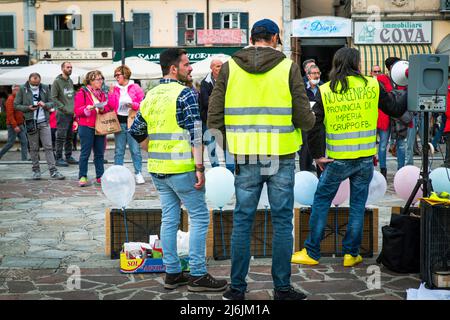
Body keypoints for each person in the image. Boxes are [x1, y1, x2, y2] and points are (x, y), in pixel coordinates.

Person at [208, 19, 315, 300]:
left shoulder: (229, 67)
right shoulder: (288, 67)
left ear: (252, 37)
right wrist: (311, 118)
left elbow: (213, 117)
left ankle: (237, 289)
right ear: (275, 38)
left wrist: (230, 143)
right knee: (282, 222)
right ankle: (282, 288)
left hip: (245, 155)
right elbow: (304, 119)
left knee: (242, 221)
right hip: (280, 154)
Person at [291, 47, 407, 267]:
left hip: (337, 159)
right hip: (364, 158)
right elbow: (396, 109)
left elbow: (314, 125)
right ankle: (351, 254)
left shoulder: (326, 90)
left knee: (321, 201)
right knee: (357, 205)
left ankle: (312, 252)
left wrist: (317, 155)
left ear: (336, 64)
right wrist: (410, 85)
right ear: (357, 64)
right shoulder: (373, 85)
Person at [129, 48, 228, 292]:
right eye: (186, 64)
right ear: (174, 69)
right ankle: (197, 274)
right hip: (183, 168)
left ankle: (172, 272)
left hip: (158, 169)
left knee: (169, 218)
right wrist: (199, 166)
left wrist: (152, 150)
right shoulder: (186, 94)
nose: (190, 67)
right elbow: (196, 134)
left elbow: (137, 130)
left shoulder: (151, 94)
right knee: (200, 217)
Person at [14, 73, 65, 180]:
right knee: (33, 148)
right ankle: (36, 170)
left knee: (48, 146)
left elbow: (53, 103)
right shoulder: (23, 89)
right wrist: (28, 108)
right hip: (30, 122)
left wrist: (45, 105)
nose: (35, 85)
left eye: (37, 83)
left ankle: (53, 171)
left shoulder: (45, 87)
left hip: (44, 121)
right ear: (29, 81)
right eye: (33, 83)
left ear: (40, 81)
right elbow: (16, 105)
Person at [107, 65, 145, 185]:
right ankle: (118, 174)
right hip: (119, 122)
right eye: (115, 75)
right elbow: (112, 106)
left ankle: (138, 173)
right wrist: (111, 94)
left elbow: (142, 104)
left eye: (118, 75)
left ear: (125, 75)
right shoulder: (115, 88)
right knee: (119, 150)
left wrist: (132, 105)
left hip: (132, 121)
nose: (116, 77)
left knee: (135, 150)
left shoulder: (135, 87)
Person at [74, 70, 113, 187]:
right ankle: (82, 176)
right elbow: (77, 110)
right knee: (85, 153)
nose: (100, 81)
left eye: (101, 79)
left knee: (99, 153)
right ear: (90, 81)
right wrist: (87, 108)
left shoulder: (102, 93)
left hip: (100, 125)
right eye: (97, 79)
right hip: (86, 126)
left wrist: (102, 109)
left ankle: (100, 176)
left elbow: (108, 108)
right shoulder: (82, 93)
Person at [377, 57, 411, 177]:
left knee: (401, 145)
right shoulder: (381, 79)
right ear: (391, 68)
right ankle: (383, 170)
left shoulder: (405, 79)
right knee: (383, 144)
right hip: (385, 117)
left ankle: (400, 171)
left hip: (399, 118)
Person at [52, 61, 78, 167]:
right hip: (62, 114)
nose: (70, 69)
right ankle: (58, 158)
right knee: (61, 137)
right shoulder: (57, 81)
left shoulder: (70, 81)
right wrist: (63, 108)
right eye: (68, 67)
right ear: (62, 68)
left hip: (71, 113)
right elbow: (53, 97)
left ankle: (68, 156)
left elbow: (71, 96)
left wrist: (74, 109)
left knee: (69, 136)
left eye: (71, 67)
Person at [299, 64, 323, 176]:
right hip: (306, 122)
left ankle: (320, 176)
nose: (317, 75)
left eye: (318, 73)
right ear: (308, 76)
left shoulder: (323, 88)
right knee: (305, 148)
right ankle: (304, 173)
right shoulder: (301, 88)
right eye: (314, 73)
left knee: (321, 149)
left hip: (320, 124)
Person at [199, 60, 222, 169]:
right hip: (208, 120)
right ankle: (216, 167)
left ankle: (231, 169)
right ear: (211, 68)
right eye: (218, 66)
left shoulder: (227, 80)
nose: (220, 68)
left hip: (224, 118)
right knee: (211, 146)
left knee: (228, 146)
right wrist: (221, 102)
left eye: (221, 66)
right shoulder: (205, 82)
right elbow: (205, 101)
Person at [0, 85, 29, 161]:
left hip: (20, 124)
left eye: (19, 90)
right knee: (10, 143)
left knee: (24, 142)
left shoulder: (18, 99)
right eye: (16, 90)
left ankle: (24, 160)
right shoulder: (10, 99)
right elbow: (10, 115)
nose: (18, 91)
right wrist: (15, 126)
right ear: (12, 90)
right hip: (13, 125)